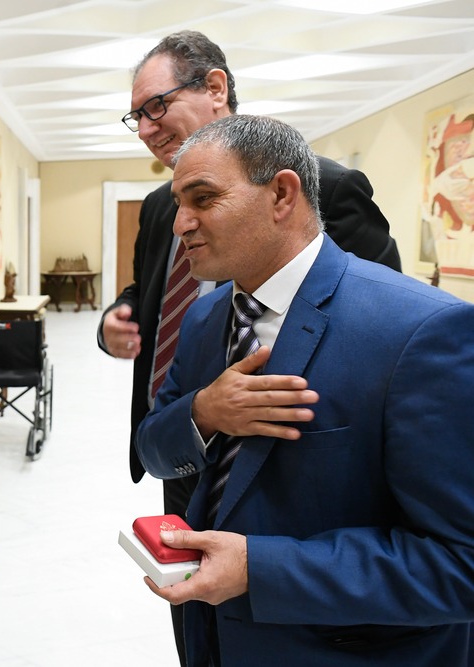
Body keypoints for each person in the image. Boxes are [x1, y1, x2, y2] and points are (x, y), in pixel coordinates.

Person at [98, 31, 401, 663]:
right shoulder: (162, 208)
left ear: (215, 88)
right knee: (198, 616)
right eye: (137, 118)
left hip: (291, 456)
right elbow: (152, 290)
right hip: (187, 445)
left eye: (156, 106)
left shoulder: (329, 187)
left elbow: (380, 323)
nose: (147, 129)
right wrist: (118, 319)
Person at [136, 113, 474, 666]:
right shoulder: (203, 320)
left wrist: (259, 569)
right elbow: (153, 450)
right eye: (179, 203)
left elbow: (461, 564)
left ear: (282, 194)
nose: (181, 224)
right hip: (212, 638)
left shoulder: (420, 330)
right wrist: (204, 412)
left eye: (202, 198)